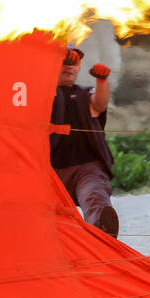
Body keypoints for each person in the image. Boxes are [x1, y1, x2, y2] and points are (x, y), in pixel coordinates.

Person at [50, 44, 119, 236]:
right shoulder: (40, 95)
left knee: (95, 197)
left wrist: (102, 80)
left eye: (74, 62)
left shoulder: (85, 95)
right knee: (52, 216)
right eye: (64, 61)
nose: (69, 66)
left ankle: (103, 234)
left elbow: (99, 103)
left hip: (87, 169)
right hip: (50, 172)